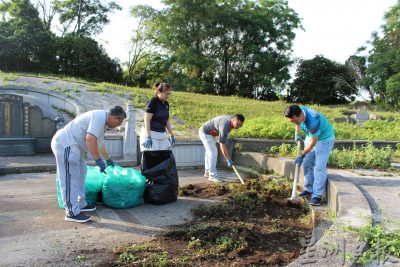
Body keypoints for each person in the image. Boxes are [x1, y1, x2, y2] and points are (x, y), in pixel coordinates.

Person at [51, 106, 126, 223]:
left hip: (74, 147)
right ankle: (71, 212)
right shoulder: (100, 117)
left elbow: (100, 143)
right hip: (65, 144)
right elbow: (90, 139)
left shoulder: (102, 122)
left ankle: (81, 203)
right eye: (119, 122)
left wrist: (108, 159)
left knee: (81, 173)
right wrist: (98, 159)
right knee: (70, 178)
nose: (118, 125)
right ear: (115, 118)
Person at [284, 105, 335, 206]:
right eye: (292, 122)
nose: (295, 123)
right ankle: (309, 189)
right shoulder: (299, 110)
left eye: (295, 121)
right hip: (311, 136)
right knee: (307, 164)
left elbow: (314, 142)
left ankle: (317, 195)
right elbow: (297, 123)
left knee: (319, 167)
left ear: (301, 115)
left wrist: (302, 155)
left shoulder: (313, 121)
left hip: (324, 139)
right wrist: (297, 133)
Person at [199, 114, 245, 183]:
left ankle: (207, 172)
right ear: (235, 119)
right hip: (205, 133)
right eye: (238, 124)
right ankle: (212, 175)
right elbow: (222, 145)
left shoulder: (230, 121)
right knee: (213, 153)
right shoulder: (225, 126)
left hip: (210, 134)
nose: (238, 127)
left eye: (240, 126)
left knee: (209, 153)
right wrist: (228, 159)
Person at [140, 82, 175, 151]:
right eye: (166, 94)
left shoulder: (166, 103)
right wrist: (148, 137)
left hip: (162, 133)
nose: (168, 96)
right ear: (159, 92)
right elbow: (147, 120)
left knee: (165, 154)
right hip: (151, 133)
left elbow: (166, 120)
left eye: (169, 94)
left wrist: (171, 134)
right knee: (152, 156)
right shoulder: (152, 102)